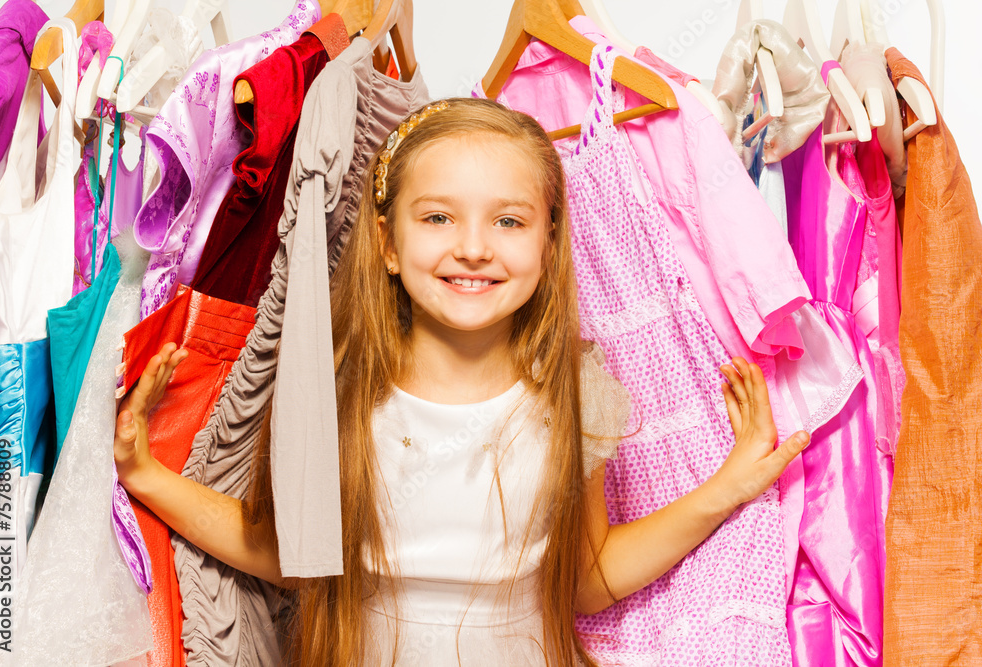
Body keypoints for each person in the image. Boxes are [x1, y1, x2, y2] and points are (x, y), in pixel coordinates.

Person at [113, 97, 810, 666]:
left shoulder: (579, 387)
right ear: (387, 242)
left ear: (548, 240)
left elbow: (587, 577)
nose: (473, 246)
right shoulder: (337, 382)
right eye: (438, 216)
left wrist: (728, 486)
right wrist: (147, 475)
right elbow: (287, 553)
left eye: (508, 220)